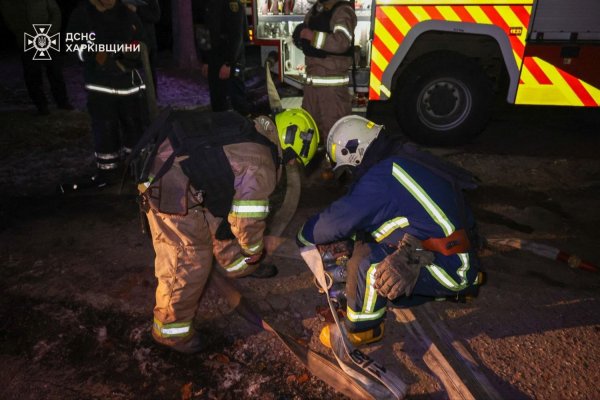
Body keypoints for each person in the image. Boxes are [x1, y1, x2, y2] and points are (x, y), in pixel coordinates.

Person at [134, 108, 319, 354]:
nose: (291, 164)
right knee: (189, 256)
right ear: (291, 145)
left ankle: (236, 266)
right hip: (168, 186)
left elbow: (229, 203)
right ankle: (170, 332)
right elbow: (247, 220)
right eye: (293, 159)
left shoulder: (250, 131)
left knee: (217, 221)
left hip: (178, 174)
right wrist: (253, 250)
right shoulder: (262, 161)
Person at [297, 115, 483, 347]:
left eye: (348, 168)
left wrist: (305, 236)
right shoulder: (400, 159)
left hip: (451, 266)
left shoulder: (385, 174)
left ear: (354, 153)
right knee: (366, 239)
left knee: (369, 263)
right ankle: (454, 285)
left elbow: (336, 221)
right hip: (454, 253)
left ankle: (363, 329)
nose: (351, 174)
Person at [67, 0, 147, 186]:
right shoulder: (82, 15)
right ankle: (108, 174)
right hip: (100, 87)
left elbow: (142, 43)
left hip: (129, 86)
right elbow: (73, 46)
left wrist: (128, 59)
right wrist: (98, 57)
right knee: (105, 129)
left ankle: (135, 169)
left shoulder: (127, 13)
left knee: (134, 128)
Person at [293, 0, 356, 145]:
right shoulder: (316, 10)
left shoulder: (343, 11)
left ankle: (335, 166)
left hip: (331, 91)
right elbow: (304, 34)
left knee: (335, 133)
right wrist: (300, 35)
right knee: (308, 131)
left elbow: (341, 42)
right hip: (311, 88)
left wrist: (311, 36)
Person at [0, 0, 73, 115]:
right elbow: (9, 19)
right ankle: (41, 105)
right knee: (32, 74)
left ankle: (62, 102)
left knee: (55, 71)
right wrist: (24, 34)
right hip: (27, 40)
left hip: (48, 38)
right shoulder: (8, 2)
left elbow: (55, 12)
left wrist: (50, 32)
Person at [197, 0, 250, 116]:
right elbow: (204, 32)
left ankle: (245, 127)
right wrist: (205, 60)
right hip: (214, 58)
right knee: (217, 99)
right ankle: (221, 128)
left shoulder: (233, 4)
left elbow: (236, 37)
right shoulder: (209, 3)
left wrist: (229, 63)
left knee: (236, 97)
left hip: (232, 60)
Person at [123, 0, 160, 98]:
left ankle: (152, 98)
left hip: (148, 41)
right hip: (130, 40)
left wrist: (137, 9)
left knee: (149, 72)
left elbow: (156, 16)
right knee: (129, 69)